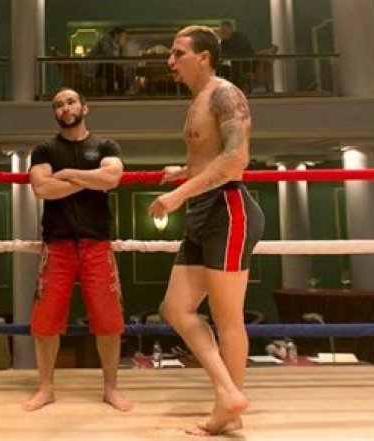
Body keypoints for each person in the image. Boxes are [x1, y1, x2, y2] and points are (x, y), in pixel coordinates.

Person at [148, 26, 264, 435]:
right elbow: (210, 156)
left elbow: (236, 159)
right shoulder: (198, 99)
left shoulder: (225, 94)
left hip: (228, 209)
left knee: (227, 318)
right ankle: (229, 395)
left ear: (204, 57)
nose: (170, 61)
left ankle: (227, 407)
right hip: (205, 209)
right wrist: (184, 172)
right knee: (175, 308)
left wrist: (178, 194)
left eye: (178, 53)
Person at [23, 87, 131, 413]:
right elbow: (42, 187)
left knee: (108, 320)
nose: (65, 108)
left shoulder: (105, 146)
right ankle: (46, 388)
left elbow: (112, 177)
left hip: (96, 243)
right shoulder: (44, 149)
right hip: (57, 244)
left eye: (70, 102)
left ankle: (111, 389)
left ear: (85, 107)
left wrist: (69, 175)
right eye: (58, 105)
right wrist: (89, 180)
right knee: (45, 321)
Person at [218, 21, 255, 93]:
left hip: (246, 65)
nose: (223, 33)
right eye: (221, 31)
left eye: (224, 30)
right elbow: (221, 52)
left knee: (234, 71)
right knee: (219, 69)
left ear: (231, 29)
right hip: (234, 65)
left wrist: (225, 55)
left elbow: (237, 52)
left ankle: (238, 89)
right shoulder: (224, 42)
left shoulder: (239, 38)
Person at [91, 27, 128, 95]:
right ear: (116, 35)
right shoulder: (106, 41)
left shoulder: (112, 43)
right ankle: (115, 91)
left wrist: (121, 47)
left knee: (116, 70)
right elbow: (109, 56)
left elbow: (115, 59)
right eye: (123, 37)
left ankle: (114, 91)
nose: (124, 39)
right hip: (94, 66)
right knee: (115, 70)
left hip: (103, 66)